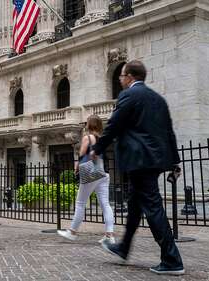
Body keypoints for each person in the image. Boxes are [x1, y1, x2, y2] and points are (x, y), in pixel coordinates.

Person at [91, 60, 184, 275]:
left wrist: (98, 147)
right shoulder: (158, 99)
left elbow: (114, 124)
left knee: (152, 207)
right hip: (154, 159)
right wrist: (174, 162)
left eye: (122, 76)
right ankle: (124, 248)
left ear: (130, 76)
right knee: (134, 205)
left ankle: (172, 260)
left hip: (139, 159)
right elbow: (169, 132)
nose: (120, 80)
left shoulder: (128, 96)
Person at [57, 114, 115, 243]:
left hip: (91, 173)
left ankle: (72, 232)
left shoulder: (87, 137)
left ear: (89, 124)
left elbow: (82, 153)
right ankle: (110, 235)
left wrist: (77, 164)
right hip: (103, 173)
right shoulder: (101, 138)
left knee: (80, 203)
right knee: (105, 204)